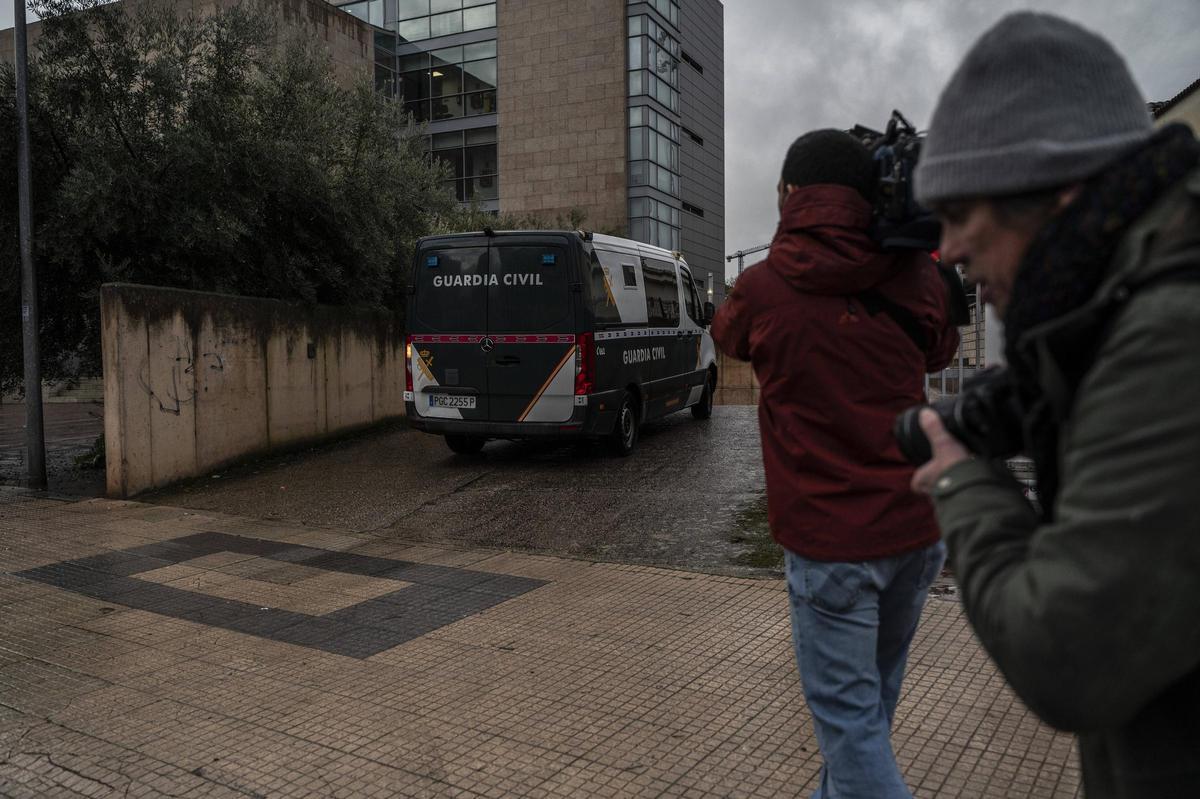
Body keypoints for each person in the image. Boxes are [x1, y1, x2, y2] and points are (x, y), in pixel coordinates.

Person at [910, 12, 1200, 798]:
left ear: (1061, 191)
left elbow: (1071, 657)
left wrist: (963, 482)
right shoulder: (1119, 313)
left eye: (964, 213)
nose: (950, 253)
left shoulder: (1170, 336)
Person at [712, 129, 959, 798]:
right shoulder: (916, 275)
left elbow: (727, 336)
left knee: (851, 731)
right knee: (868, 715)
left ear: (792, 195)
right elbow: (941, 349)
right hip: (915, 532)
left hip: (832, 546)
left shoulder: (764, 287)